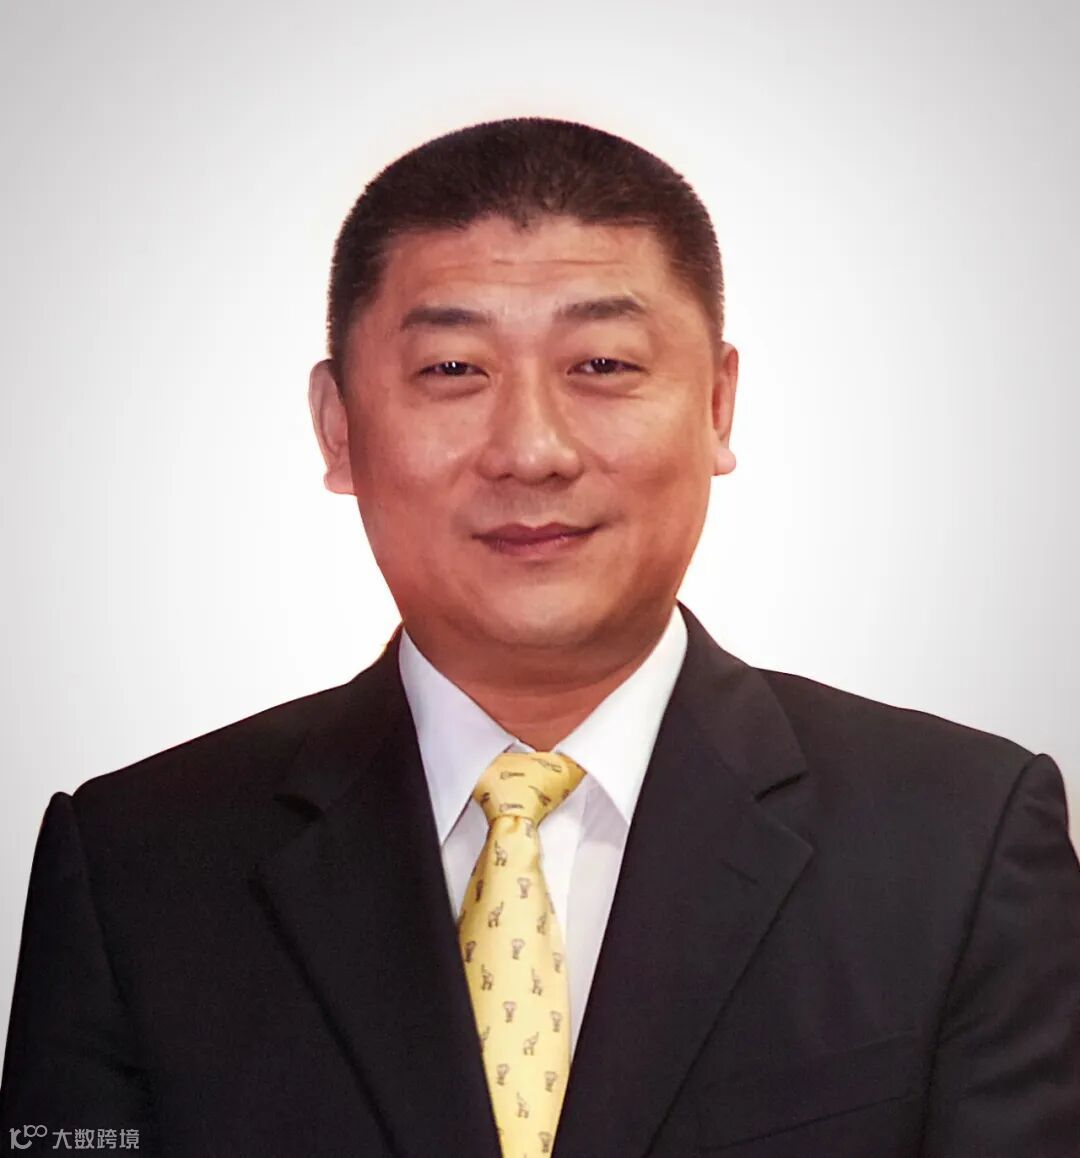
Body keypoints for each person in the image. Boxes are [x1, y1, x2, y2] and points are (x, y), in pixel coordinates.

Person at [1, 116, 1078, 1158]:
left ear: (717, 405)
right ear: (338, 427)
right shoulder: (136, 866)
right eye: (453, 370)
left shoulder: (958, 843)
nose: (531, 449)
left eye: (601, 365)